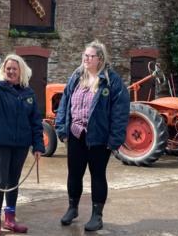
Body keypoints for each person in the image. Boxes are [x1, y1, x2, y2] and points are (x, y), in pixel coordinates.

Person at [55, 40, 130, 231]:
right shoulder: (76, 76)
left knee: (97, 176)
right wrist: (62, 130)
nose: (86, 59)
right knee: (74, 174)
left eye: (91, 56)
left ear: (100, 59)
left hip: (99, 138)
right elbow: (64, 103)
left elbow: (120, 113)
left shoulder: (111, 80)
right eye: (85, 55)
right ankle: (73, 208)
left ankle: (97, 216)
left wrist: (114, 140)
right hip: (75, 135)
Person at [0, 54, 45, 236]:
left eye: (14, 68)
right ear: (3, 71)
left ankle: (10, 220)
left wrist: (38, 146)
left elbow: (36, 122)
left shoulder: (28, 93)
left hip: (21, 145)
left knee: (13, 183)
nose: (11, 71)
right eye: (8, 68)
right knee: (0, 183)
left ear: (20, 71)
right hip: (0, 143)